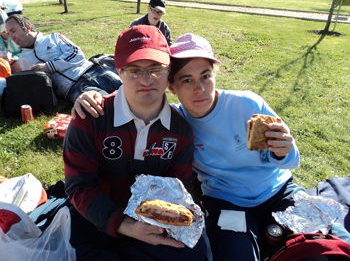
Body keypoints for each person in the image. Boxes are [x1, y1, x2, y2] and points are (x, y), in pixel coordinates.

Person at [73, 33, 350, 260]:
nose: (199, 89)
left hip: (280, 191)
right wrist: (90, 96)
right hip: (227, 202)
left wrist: (284, 148)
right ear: (172, 86)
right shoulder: (178, 123)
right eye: (187, 80)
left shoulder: (248, 106)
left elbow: (289, 162)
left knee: (334, 243)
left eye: (206, 76)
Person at [63, 25, 207, 261]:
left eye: (155, 69)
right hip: (95, 216)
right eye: (134, 70)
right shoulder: (91, 118)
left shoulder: (180, 130)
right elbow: (80, 186)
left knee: (193, 253)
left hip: (152, 223)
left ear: (168, 71)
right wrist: (124, 225)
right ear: (119, 71)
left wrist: (152, 224)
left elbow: (177, 187)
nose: (146, 80)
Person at [5, 14, 122, 104]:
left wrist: (49, 66)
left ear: (27, 28)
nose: (12, 37)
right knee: (103, 106)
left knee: (129, 92)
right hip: (74, 89)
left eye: (13, 31)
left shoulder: (54, 38)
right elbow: (39, 87)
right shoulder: (24, 59)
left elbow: (77, 54)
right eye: (9, 33)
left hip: (94, 71)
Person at [0, 9, 21, 74]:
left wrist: (15, 58)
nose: (4, 30)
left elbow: (29, 51)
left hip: (20, 63)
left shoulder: (19, 34)